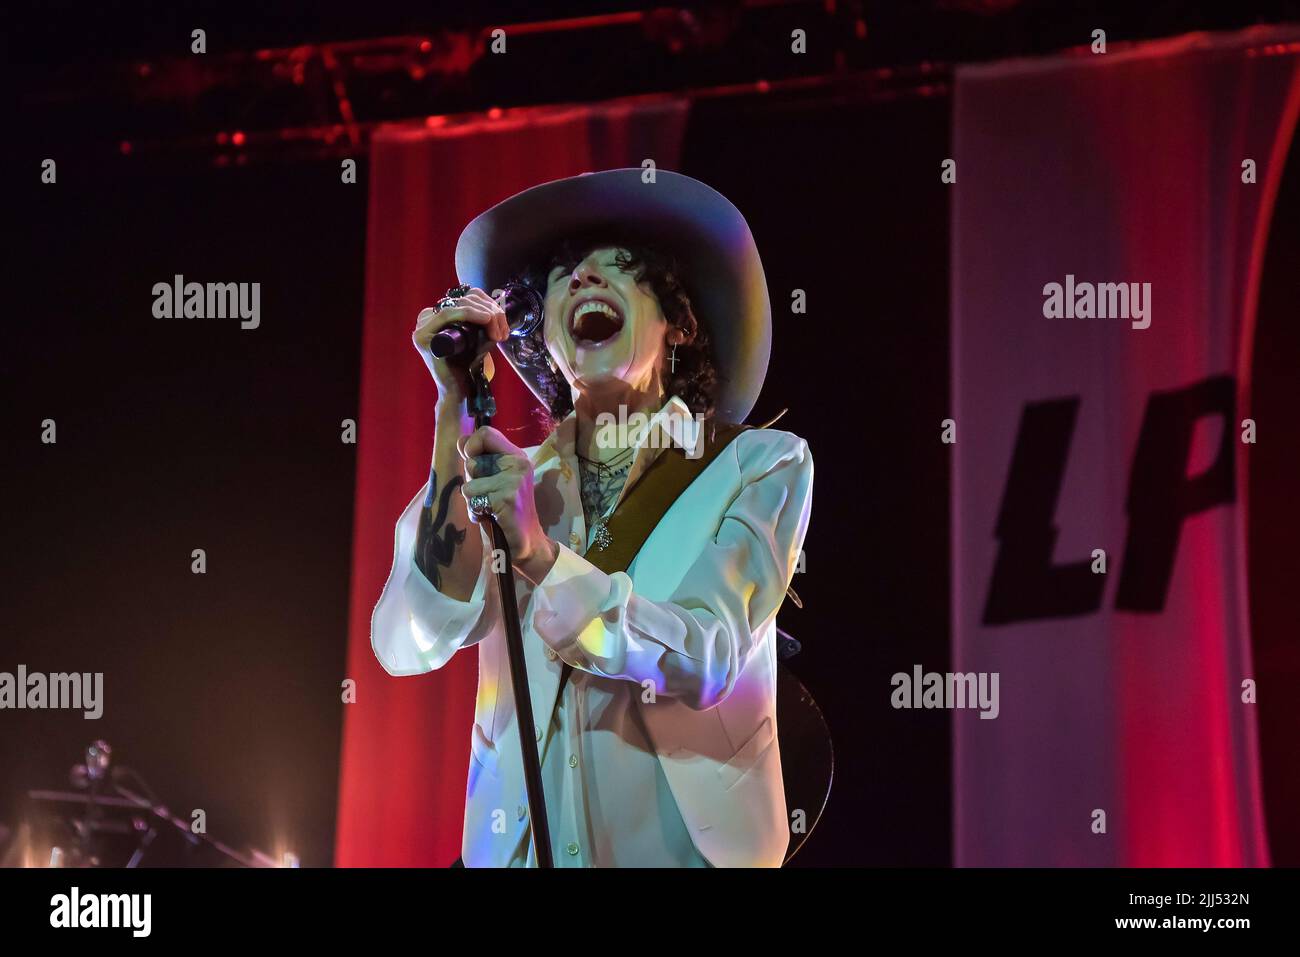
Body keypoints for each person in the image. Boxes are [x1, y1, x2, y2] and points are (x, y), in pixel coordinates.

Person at [370, 169, 813, 867]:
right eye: (561, 278)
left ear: (679, 322)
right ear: (541, 337)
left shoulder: (757, 466)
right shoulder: (520, 482)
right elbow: (413, 637)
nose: (581, 280)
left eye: (619, 268)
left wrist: (542, 558)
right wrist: (453, 405)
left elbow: (706, 655)